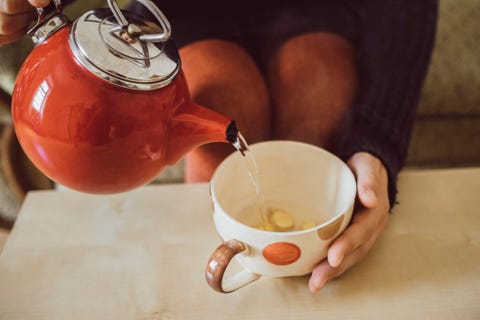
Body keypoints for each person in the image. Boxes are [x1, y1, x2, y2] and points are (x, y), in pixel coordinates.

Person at [0, 0, 438, 293]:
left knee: (317, 133)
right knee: (226, 111)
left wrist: (378, 142)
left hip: (318, 8)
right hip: (178, 14)